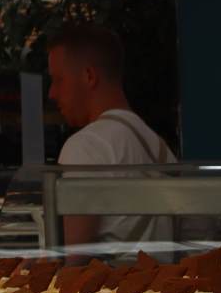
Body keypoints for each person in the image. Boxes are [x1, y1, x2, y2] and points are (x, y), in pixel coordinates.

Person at [46, 23, 176, 248]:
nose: (52, 93)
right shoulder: (160, 148)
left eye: (58, 80)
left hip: (111, 273)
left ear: (89, 76)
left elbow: (72, 257)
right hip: (158, 271)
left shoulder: (85, 146)